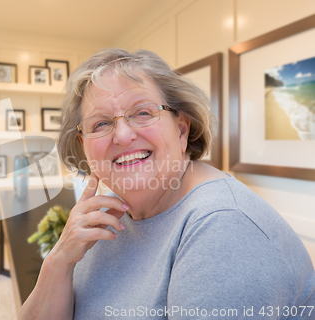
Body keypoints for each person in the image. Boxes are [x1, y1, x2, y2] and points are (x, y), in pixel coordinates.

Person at [17, 49, 315, 320]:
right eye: (101, 124)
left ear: (182, 129)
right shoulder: (110, 215)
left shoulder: (222, 225)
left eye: (143, 113)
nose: (122, 135)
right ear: (84, 145)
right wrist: (59, 261)